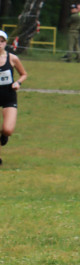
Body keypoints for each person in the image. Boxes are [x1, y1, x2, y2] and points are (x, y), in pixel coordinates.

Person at [0, 30, 27, 166]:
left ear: (5, 43)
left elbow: (23, 74)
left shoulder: (12, 58)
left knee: (8, 129)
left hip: (9, 95)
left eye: (2, 41)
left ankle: (3, 134)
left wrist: (18, 82)